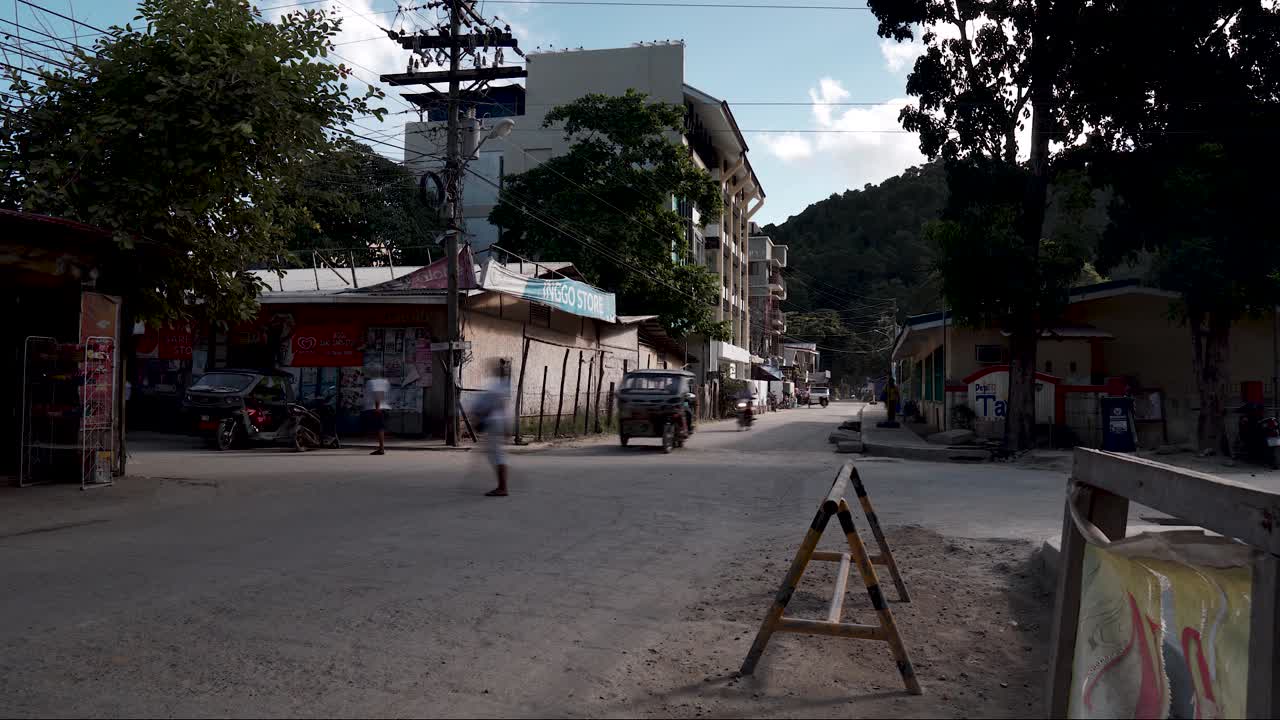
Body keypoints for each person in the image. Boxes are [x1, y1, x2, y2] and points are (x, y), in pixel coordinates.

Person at [473, 358, 512, 497]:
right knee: (496, 455)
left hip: (493, 423)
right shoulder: (503, 387)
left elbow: (486, 407)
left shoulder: (496, 387)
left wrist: (478, 420)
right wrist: (507, 427)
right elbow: (503, 408)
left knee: (496, 455)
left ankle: (502, 488)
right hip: (498, 423)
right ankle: (502, 487)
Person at [363, 368, 390, 455]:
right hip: (382, 407)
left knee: (380, 428)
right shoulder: (384, 382)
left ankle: (381, 448)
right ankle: (381, 447)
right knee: (379, 428)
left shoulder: (373, 382)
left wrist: (377, 407)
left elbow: (378, 393)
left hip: (377, 408)